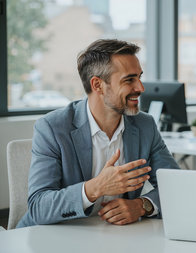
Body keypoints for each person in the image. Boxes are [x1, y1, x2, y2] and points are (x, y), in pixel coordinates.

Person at [17, 39, 180, 228]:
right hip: (53, 237)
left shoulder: (145, 125)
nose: (141, 88)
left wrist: (141, 205)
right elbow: (39, 207)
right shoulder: (52, 128)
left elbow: (175, 185)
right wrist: (96, 187)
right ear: (97, 85)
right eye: (129, 80)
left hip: (116, 237)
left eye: (139, 77)